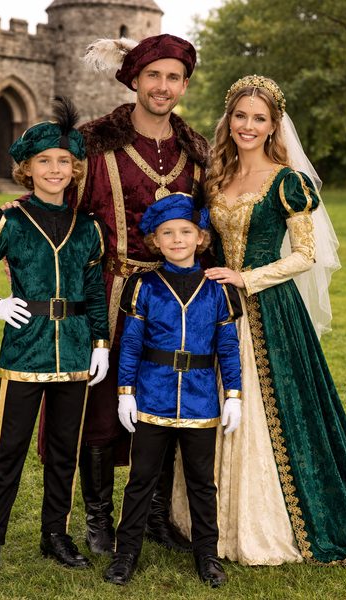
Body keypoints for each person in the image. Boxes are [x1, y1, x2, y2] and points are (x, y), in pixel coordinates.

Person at [37, 33, 210, 555]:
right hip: (109, 293)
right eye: (153, 75)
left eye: (173, 77)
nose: (162, 86)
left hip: (175, 300)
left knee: (165, 402)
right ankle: (98, 519)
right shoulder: (93, 144)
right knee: (100, 407)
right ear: (134, 78)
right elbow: (58, 219)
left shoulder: (197, 152)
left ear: (184, 85)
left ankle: (155, 514)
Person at [171, 74, 346, 566]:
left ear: (274, 126)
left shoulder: (287, 181)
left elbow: (306, 255)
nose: (247, 126)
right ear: (228, 119)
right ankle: (205, 520)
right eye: (240, 115)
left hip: (269, 308)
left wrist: (247, 278)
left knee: (266, 408)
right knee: (211, 404)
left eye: (259, 118)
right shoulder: (216, 176)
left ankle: (263, 523)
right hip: (214, 308)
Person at [0, 97, 110, 584]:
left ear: (75, 168)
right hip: (25, 350)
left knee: (64, 452)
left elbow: (94, 290)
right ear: (27, 168)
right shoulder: (8, 220)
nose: (55, 169)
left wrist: (101, 343)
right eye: (44, 161)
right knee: (9, 452)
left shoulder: (89, 229)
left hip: (76, 352)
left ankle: (55, 534)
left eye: (64, 161)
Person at [103, 192, 242, 586]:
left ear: (200, 237)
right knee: (141, 479)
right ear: (156, 241)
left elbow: (228, 348)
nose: (177, 239)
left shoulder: (217, 288)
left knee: (202, 483)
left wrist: (233, 396)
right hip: (153, 395)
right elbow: (131, 343)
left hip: (201, 400)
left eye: (185, 231)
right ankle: (126, 554)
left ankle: (207, 555)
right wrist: (126, 392)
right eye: (167, 233)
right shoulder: (144, 285)